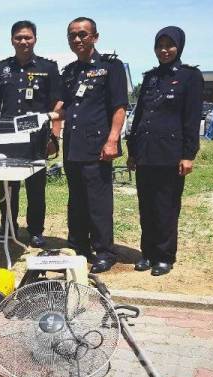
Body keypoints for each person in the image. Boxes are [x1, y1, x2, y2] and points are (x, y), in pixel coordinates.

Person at [126, 26, 203, 276]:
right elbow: (139, 117)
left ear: (179, 46)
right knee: (146, 206)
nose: (164, 50)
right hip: (146, 152)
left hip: (170, 154)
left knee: (166, 207)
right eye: (160, 45)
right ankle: (147, 253)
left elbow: (191, 119)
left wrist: (189, 154)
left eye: (169, 45)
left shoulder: (190, 77)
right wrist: (132, 150)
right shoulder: (150, 77)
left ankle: (164, 256)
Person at [59, 17, 128, 273]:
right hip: (73, 147)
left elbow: (120, 106)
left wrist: (112, 140)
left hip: (98, 147)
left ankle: (105, 251)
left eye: (82, 34)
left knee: (98, 202)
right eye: (72, 35)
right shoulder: (69, 72)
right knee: (76, 200)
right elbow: (63, 108)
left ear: (95, 37)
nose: (77, 39)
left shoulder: (111, 67)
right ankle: (78, 247)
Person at [0, 20, 61, 248]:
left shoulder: (48, 68)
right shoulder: (1, 68)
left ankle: (36, 231)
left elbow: (57, 103)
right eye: (19, 37)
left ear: (35, 39)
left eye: (27, 37)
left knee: (36, 188)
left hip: (36, 138)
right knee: (7, 187)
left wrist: (54, 137)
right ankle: (8, 226)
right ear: (12, 40)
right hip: (7, 137)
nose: (23, 41)